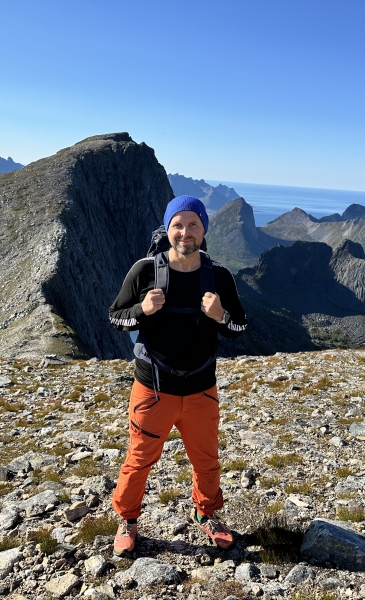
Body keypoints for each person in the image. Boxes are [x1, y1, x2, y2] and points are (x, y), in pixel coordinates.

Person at [108, 195, 248, 556]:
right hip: (153, 389)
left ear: (204, 229)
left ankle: (206, 513)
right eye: (178, 225)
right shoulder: (145, 271)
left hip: (201, 389)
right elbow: (116, 316)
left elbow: (239, 326)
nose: (186, 232)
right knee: (139, 459)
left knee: (207, 461)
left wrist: (219, 316)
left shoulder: (219, 276)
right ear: (168, 229)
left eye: (193, 225)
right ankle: (127, 519)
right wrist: (142, 309)